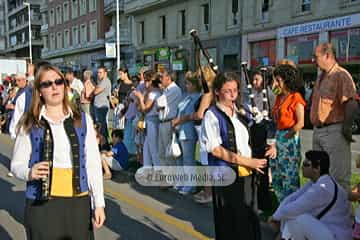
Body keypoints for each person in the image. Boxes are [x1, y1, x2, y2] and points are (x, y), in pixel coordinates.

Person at [10, 64, 105, 239]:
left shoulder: (83, 120)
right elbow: (16, 165)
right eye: (47, 84)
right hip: (41, 203)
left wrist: (98, 203)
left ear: (65, 85)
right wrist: (30, 172)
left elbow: (92, 163)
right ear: (39, 91)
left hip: (78, 201)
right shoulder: (29, 122)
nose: (54, 87)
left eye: (58, 81)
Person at [201, 72, 267, 240]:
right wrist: (248, 162)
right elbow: (216, 150)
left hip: (246, 173)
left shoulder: (241, 112)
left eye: (235, 90)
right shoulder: (211, 115)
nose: (232, 94)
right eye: (227, 90)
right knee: (231, 222)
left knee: (249, 218)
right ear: (217, 91)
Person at [268, 150, 352, 240]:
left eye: (306, 164)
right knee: (291, 216)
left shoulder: (322, 188)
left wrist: (274, 218)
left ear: (317, 168)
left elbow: (296, 208)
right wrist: (276, 216)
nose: (302, 167)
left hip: (336, 236)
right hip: (328, 231)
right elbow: (293, 198)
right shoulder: (318, 182)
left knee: (298, 218)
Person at [311, 42, 358, 194]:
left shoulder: (341, 75)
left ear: (327, 55)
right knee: (318, 177)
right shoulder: (321, 76)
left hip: (334, 131)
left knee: (338, 178)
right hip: (318, 131)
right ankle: (325, 213)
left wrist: (346, 127)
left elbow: (351, 103)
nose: (313, 60)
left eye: (315, 56)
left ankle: (344, 216)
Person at [271, 64, 306, 202]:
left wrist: (288, 136)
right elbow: (275, 118)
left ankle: (291, 207)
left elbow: (300, 122)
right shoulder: (279, 97)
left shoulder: (295, 97)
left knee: (289, 175)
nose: (276, 83)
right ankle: (282, 205)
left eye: (278, 80)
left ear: (287, 80)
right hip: (278, 136)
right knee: (277, 173)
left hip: (289, 138)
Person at [247, 69, 277, 212]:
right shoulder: (255, 94)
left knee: (262, 172)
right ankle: (256, 200)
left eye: (257, 79)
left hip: (265, 135)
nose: (254, 82)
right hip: (255, 134)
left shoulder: (269, 95)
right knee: (256, 170)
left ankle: (264, 203)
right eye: (253, 79)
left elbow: (272, 119)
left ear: (265, 80)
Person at [171, 71, 202, 195]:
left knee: (188, 160)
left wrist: (179, 120)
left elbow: (191, 115)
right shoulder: (185, 96)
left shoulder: (198, 97)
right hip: (179, 130)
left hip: (188, 131)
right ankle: (181, 181)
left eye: (188, 83)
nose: (186, 85)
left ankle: (191, 185)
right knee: (179, 158)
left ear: (195, 85)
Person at [133, 70, 161, 171]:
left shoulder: (154, 93)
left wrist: (141, 98)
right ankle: (147, 169)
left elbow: (145, 108)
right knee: (146, 147)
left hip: (153, 121)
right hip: (149, 120)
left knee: (153, 148)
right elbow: (140, 108)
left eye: (146, 81)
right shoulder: (150, 92)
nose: (145, 84)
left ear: (151, 81)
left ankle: (158, 172)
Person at [157, 70, 182, 167]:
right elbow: (158, 106)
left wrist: (159, 105)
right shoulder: (166, 90)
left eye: (162, 77)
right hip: (162, 122)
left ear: (168, 78)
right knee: (161, 152)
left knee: (170, 152)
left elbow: (159, 102)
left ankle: (172, 178)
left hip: (169, 122)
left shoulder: (174, 89)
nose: (160, 80)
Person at [93, 66, 112, 145]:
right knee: (100, 125)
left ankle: (105, 144)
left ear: (105, 73)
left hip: (101, 106)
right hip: (98, 105)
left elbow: (95, 91)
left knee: (102, 126)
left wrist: (95, 88)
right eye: (98, 72)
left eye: (100, 72)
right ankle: (103, 143)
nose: (98, 74)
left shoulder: (105, 81)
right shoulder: (100, 81)